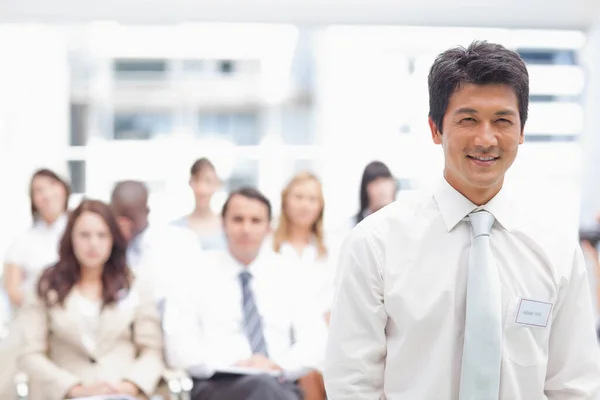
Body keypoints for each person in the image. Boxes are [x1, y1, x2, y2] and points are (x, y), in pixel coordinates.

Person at [324, 41, 600, 399]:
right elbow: (352, 383)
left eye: (502, 120)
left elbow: (574, 384)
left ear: (521, 131)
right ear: (435, 129)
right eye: (468, 119)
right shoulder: (376, 243)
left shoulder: (556, 248)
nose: (486, 139)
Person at [163, 187, 327, 400]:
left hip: (278, 383)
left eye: (256, 221)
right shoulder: (194, 273)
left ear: (269, 227)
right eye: (238, 219)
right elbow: (178, 345)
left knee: (266, 387)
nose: (246, 229)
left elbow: (316, 341)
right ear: (223, 224)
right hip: (216, 385)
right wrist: (230, 364)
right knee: (262, 389)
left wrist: (276, 365)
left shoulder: (290, 275)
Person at [18, 200, 164, 400]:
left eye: (102, 235)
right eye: (84, 235)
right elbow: (30, 353)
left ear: (113, 239)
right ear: (71, 238)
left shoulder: (133, 284)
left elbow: (151, 349)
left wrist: (130, 385)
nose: (93, 243)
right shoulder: (46, 285)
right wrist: (73, 388)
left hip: (122, 392)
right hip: (68, 393)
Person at [110, 180, 203, 305]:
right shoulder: (103, 244)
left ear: (146, 212)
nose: (124, 224)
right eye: (119, 216)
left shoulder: (178, 242)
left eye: (131, 217)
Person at [3, 168, 71, 309]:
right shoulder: (22, 241)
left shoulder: (82, 233)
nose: (46, 194)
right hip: (33, 314)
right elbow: (12, 290)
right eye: (38, 190)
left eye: (52, 184)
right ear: (33, 200)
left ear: (64, 188)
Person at [172, 158, 227, 250]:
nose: (202, 189)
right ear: (190, 183)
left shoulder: (227, 227)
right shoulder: (176, 229)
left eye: (208, 181)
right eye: (197, 181)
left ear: (217, 184)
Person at [354, 161, 396, 225]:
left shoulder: (405, 222)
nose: (383, 189)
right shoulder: (351, 226)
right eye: (377, 183)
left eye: (386, 181)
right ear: (366, 188)